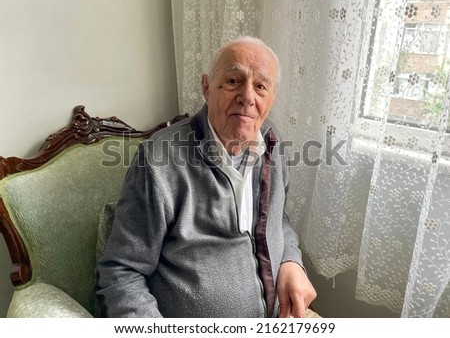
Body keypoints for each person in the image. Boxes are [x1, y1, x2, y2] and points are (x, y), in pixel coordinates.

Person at [96, 36, 317, 318]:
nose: (248, 97)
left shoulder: (272, 142)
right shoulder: (158, 161)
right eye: (233, 81)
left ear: (271, 97)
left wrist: (291, 261)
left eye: (261, 86)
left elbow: (279, 220)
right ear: (206, 88)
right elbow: (120, 274)